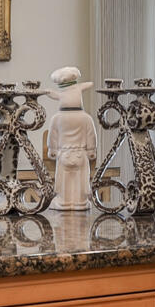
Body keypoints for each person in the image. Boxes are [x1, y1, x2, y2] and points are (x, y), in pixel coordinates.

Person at [41, 66, 96, 213]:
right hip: (80, 154)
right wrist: (91, 151)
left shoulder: (57, 118)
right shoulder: (86, 118)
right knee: (79, 179)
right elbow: (91, 135)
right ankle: (80, 202)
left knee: (65, 180)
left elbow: (52, 136)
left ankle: (64, 201)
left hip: (63, 154)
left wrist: (52, 151)